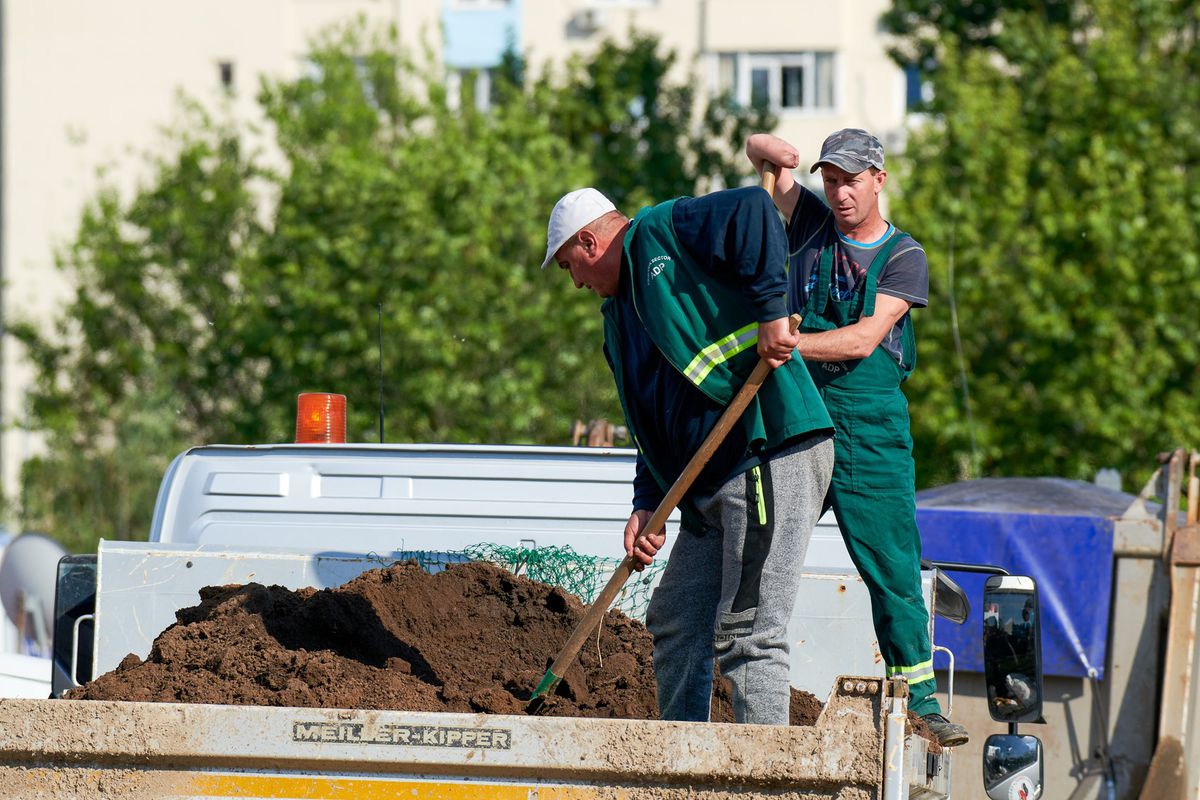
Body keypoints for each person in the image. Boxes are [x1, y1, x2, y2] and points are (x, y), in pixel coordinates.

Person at [541, 186, 835, 725]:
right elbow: (649, 420)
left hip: (766, 448)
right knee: (677, 620)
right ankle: (685, 766)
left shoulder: (661, 231)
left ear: (589, 240)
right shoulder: (618, 320)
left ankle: (766, 783)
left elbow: (753, 209)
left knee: (749, 635)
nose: (576, 282)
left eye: (570, 266)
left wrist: (773, 313)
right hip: (710, 483)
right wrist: (648, 501)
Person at [744, 128, 969, 747]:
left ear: (879, 180)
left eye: (851, 179)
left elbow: (865, 339)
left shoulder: (904, 256)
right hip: (799, 415)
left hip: (870, 428)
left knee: (892, 565)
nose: (839, 192)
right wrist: (777, 154)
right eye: (829, 179)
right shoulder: (812, 224)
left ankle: (919, 700)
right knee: (755, 544)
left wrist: (787, 345)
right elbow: (758, 152)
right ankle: (734, 678)